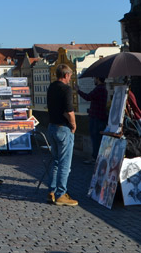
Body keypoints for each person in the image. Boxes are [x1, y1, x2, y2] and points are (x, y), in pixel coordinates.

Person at [46, 64, 78, 206]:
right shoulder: (66, 89)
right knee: (65, 163)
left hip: (51, 127)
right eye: (70, 75)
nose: (70, 78)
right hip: (63, 129)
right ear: (65, 75)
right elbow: (68, 111)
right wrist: (74, 124)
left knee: (55, 161)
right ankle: (61, 194)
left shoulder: (51, 87)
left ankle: (51, 191)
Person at [77, 75, 108, 164]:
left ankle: (95, 158)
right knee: (98, 139)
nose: (94, 80)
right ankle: (97, 157)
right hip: (101, 117)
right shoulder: (104, 89)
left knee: (95, 139)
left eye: (95, 78)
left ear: (98, 78)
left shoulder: (99, 89)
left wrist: (78, 90)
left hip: (96, 118)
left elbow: (88, 97)